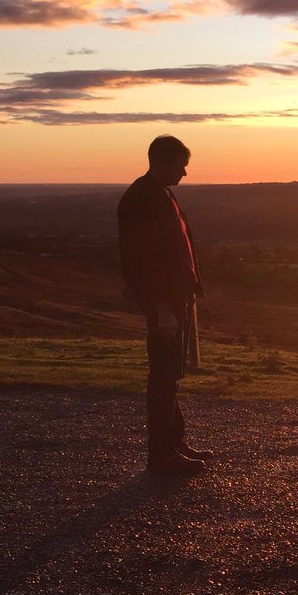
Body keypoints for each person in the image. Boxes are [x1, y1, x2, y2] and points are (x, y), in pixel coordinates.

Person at [118, 135, 211, 473]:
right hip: (164, 303)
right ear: (161, 161)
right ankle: (161, 456)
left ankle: (174, 442)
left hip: (175, 298)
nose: (184, 173)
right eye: (181, 165)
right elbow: (138, 261)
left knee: (169, 374)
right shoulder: (141, 199)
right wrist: (160, 306)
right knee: (163, 376)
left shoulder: (160, 194)